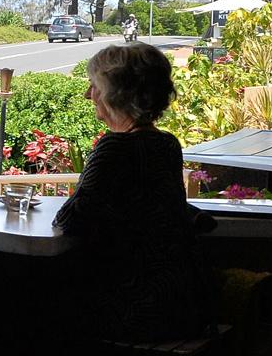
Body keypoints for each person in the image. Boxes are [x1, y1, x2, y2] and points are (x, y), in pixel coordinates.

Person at [54, 42, 209, 340]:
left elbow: (70, 219)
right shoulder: (167, 145)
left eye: (94, 86)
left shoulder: (115, 146)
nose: (89, 95)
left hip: (132, 308)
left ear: (117, 93)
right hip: (179, 302)